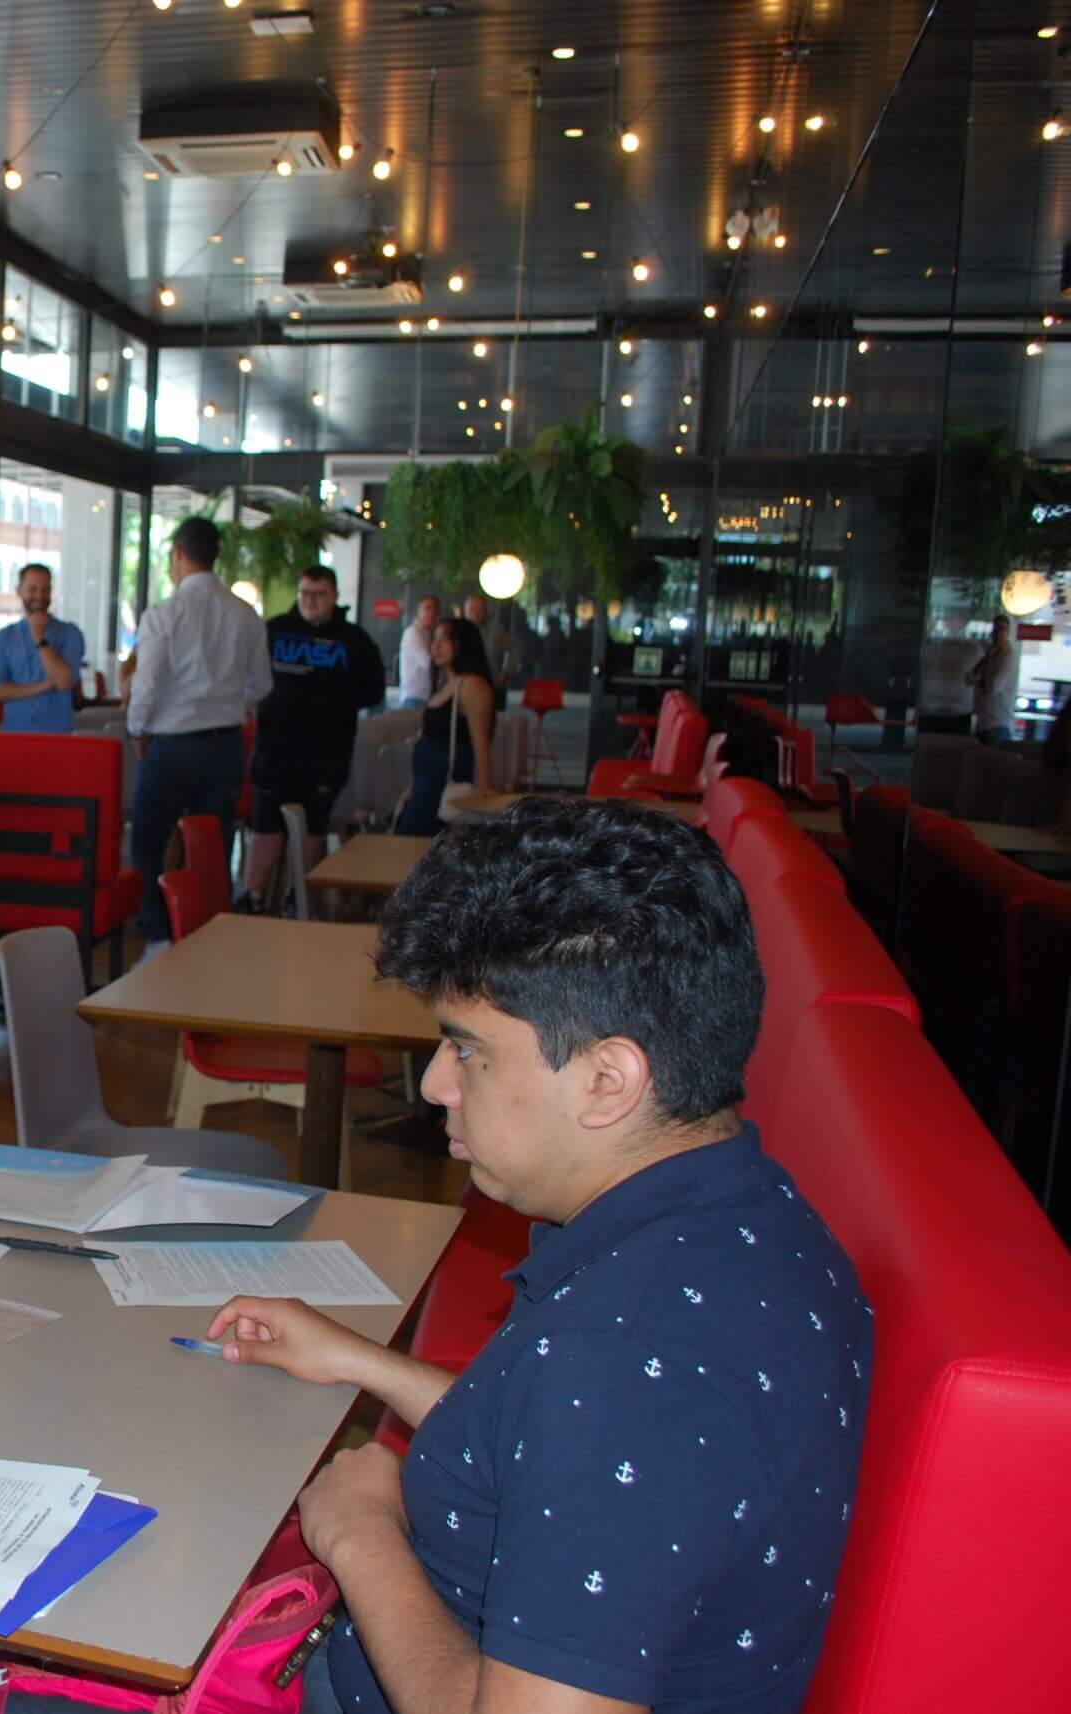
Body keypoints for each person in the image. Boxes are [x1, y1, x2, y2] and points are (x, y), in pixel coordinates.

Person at [209, 797, 868, 1714]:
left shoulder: (630, 1362)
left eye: (467, 1051)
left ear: (608, 1079)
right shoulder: (741, 1212)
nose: (435, 1083)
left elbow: (606, 1415)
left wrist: (359, 1533)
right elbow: (557, 1450)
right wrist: (364, 1364)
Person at [126, 516, 274, 943]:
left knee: (149, 840)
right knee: (211, 845)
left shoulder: (164, 613)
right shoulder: (245, 614)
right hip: (225, 744)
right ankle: (209, 934)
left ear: (178, 554)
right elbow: (261, 686)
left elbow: (146, 684)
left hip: (172, 746)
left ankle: (158, 934)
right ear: (216, 556)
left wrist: (137, 731)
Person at [240, 566, 386, 912]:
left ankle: (301, 895)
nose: (310, 600)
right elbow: (249, 679)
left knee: (313, 825)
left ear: (334, 596)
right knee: (266, 823)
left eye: (318, 594)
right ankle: (252, 896)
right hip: (274, 749)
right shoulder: (274, 630)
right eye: (304, 593)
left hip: (326, 753)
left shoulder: (354, 640)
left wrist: (334, 700)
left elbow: (373, 691)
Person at [393, 617, 496, 836]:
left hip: (445, 788)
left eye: (444, 639)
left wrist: (484, 791)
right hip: (424, 785)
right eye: (434, 639)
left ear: (463, 644)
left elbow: (481, 744)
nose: (436, 646)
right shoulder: (445, 684)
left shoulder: (472, 685)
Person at [0, 563, 88, 733]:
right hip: (16, 734)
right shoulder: (2, 638)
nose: (39, 596)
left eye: (45, 590)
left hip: (59, 736)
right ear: (19, 590)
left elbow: (63, 682)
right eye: (32, 589)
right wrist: (45, 685)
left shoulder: (70, 633)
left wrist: (39, 637)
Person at [970, 609, 1018, 744]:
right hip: (983, 722)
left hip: (997, 724)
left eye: (1002, 630)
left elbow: (992, 687)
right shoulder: (990, 655)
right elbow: (969, 678)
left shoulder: (1008, 656)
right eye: (996, 630)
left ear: (1008, 633)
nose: (998, 634)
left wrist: (979, 680)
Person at [465, 592, 514, 706]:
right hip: (466, 687)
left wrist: (506, 672)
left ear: (485, 611)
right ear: (465, 611)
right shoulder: (458, 632)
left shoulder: (497, 631)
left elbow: (513, 650)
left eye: (479, 609)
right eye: (471, 609)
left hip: (492, 684)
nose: (476, 613)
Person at [396, 595, 441, 708]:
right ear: (419, 611)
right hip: (415, 698)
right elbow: (429, 662)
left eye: (435, 609)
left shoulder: (430, 632)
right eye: (427, 608)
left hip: (426, 697)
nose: (431, 613)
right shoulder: (413, 632)